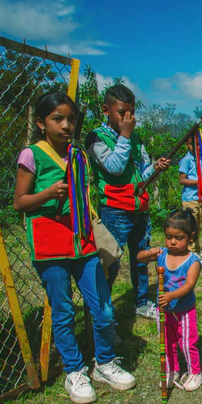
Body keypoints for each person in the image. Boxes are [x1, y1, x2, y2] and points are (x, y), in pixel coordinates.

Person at [14, 92, 135, 404]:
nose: (66, 125)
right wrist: (48, 193)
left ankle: (105, 363)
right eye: (58, 119)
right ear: (41, 123)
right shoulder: (32, 155)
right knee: (64, 311)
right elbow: (20, 202)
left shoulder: (77, 154)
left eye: (70, 119)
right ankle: (74, 370)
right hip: (50, 245)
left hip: (83, 242)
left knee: (103, 307)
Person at [86, 85, 171, 320]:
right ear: (106, 110)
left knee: (141, 258)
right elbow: (114, 167)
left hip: (139, 208)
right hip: (115, 210)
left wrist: (155, 168)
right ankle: (102, 313)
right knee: (110, 262)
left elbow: (141, 174)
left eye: (131, 112)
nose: (128, 118)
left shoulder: (135, 137)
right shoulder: (96, 138)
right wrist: (124, 136)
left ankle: (142, 303)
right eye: (122, 112)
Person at [137, 209, 202, 392]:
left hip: (184, 311)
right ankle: (171, 370)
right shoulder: (162, 255)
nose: (173, 242)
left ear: (191, 237)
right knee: (167, 342)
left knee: (187, 343)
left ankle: (195, 372)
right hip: (164, 311)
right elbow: (139, 258)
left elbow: (189, 285)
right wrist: (149, 253)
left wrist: (172, 295)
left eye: (179, 238)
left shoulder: (192, 261)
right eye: (168, 237)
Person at [178, 137, 202, 262]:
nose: (196, 147)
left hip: (199, 198)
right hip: (190, 198)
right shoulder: (186, 160)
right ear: (187, 145)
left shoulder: (201, 160)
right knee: (191, 226)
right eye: (192, 144)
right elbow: (182, 180)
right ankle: (190, 251)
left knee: (198, 225)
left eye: (198, 144)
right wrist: (199, 181)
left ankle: (197, 248)